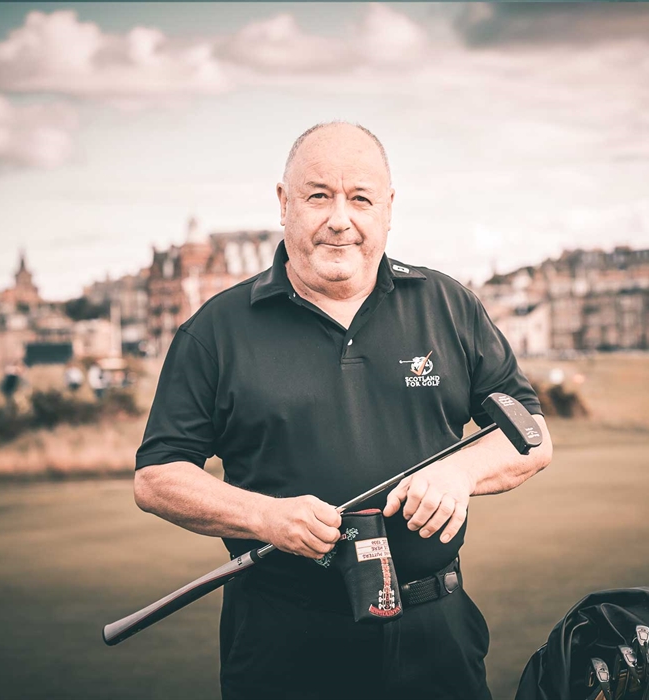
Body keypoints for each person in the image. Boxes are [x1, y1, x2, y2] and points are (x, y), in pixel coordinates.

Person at [134, 122, 553, 700]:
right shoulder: (215, 331)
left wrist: (461, 472)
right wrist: (264, 517)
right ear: (284, 203)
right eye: (318, 196)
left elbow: (531, 434)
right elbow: (157, 477)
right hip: (283, 641)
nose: (340, 219)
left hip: (436, 635)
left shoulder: (448, 306)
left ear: (388, 208)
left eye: (360, 198)